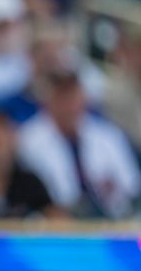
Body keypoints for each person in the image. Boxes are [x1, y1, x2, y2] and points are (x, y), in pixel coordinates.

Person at [17, 64, 141, 218]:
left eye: (72, 96)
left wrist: (113, 190)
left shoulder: (108, 135)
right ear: (48, 99)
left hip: (110, 220)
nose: (68, 104)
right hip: (53, 224)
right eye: (62, 96)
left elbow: (132, 186)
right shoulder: (27, 140)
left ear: (83, 98)